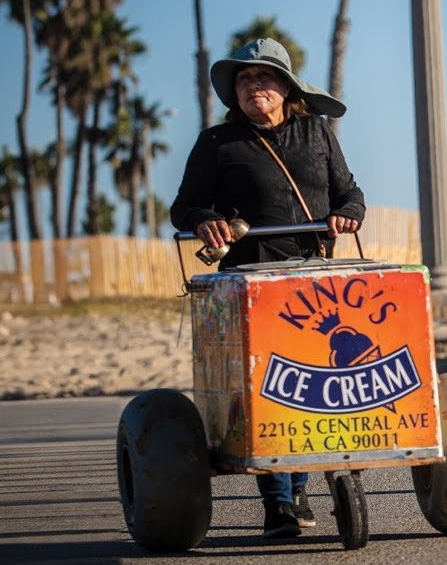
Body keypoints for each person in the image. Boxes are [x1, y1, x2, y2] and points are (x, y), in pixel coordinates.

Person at [171, 37, 365, 538]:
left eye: (263, 76)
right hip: (250, 286)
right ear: (234, 92)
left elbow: (350, 194)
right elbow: (183, 209)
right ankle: (279, 500)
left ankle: (297, 488)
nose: (253, 85)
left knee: (313, 382)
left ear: (286, 88)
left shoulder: (316, 133)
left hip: (315, 284)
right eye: (244, 78)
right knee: (269, 385)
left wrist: (348, 214)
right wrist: (205, 219)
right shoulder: (217, 143)